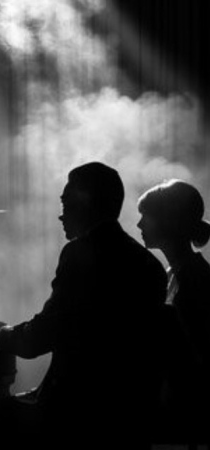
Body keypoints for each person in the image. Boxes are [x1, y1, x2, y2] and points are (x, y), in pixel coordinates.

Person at [0, 162, 168, 449]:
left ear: (85, 203)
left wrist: (0, 333)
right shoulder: (150, 265)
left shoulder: (80, 253)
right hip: (130, 417)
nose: (61, 214)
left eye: (66, 203)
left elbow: (38, 338)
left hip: (72, 415)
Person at [137, 179, 210, 442]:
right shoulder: (174, 274)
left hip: (188, 414)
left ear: (169, 221)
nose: (139, 225)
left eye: (146, 216)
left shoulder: (195, 279)